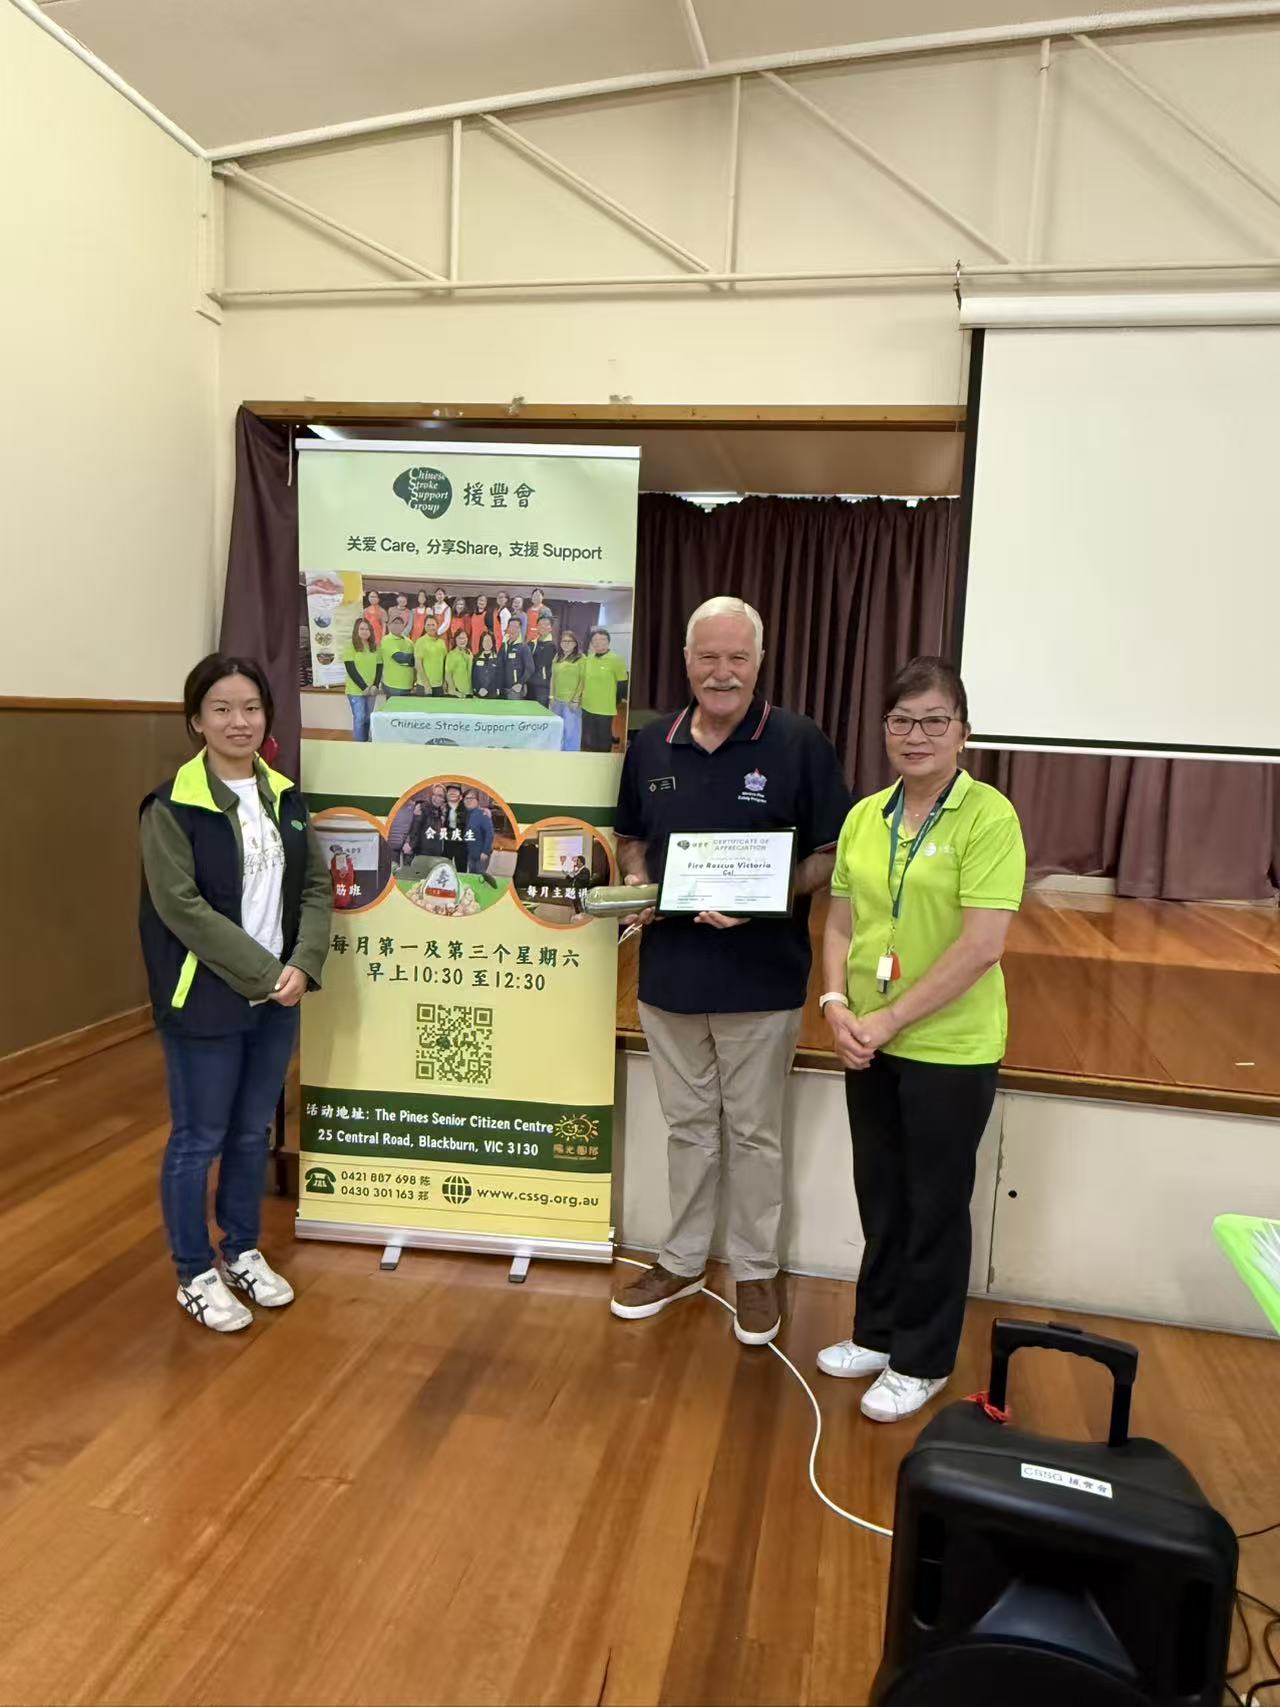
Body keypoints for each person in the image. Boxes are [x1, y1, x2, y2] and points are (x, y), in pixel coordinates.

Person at [610, 597, 851, 1345]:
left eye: (737, 658)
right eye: (709, 657)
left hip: (762, 975)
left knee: (752, 1133)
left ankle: (754, 1270)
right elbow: (630, 836)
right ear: (687, 663)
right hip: (670, 976)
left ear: (758, 662)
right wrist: (640, 881)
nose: (723, 672)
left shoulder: (798, 741)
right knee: (687, 1127)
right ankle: (681, 1260)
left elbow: (831, 854)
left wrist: (765, 898)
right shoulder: (651, 745)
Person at [816, 656, 1025, 1422]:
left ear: (963, 732)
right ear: (884, 730)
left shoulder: (989, 817)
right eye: (902, 720)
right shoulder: (865, 816)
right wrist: (835, 1003)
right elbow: (840, 923)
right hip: (866, 1040)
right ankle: (877, 1333)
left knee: (934, 1202)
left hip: (949, 1048)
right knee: (881, 1194)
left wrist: (888, 1019)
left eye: (935, 720)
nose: (917, 734)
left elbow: (982, 946)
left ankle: (924, 1358)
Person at [138, 655, 331, 1332]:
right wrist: (264, 972)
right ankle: (194, 1271)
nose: (238, 721)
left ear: (267, 716)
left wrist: (302, 965)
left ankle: (241, 1248)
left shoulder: (285, 796)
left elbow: (314, 887)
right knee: (200, 1136)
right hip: (206, 998)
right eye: (220, 708)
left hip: (279, 994)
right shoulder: (171, 806)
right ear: (196, 720)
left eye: (250, 707)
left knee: (252, 1130)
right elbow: (182, 907)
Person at [581, 628, 628, 752]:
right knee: (590, 738)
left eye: (602, 639)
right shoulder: (589, 659)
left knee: (603, 739)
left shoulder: (616, 660)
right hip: (587, 706)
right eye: (595, 640)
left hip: (605, 708)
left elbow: (622, 684)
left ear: (608, 641)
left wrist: (615, 702)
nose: (598, 642)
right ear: (591, 643)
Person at [343, 615, 381, 742]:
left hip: (371, 690)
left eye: (367, 629)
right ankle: (359, 745)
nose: (365, 631)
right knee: (359, 717)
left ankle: (365, 742)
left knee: (368, 717)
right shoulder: (350, 647)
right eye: (362, 629)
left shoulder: (375, 647)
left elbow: (379, 667)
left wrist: (375, 685)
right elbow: (351, 669)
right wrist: (363, 687)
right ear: (356, 631)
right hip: (356, 690)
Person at [551, 629, 586, 752]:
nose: (566, 643)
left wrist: (576, 700)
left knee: (571, 731)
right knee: (558, 729)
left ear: (575, 643)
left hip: (571, 702)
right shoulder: (558, 657)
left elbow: (583, 680)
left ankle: (571, 755)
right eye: (563, 641)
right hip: (557, 700)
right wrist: (551, 696)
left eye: (569, 641)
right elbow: (553, 678)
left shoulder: (581, 658)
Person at [378, 612, 415, 698]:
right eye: (395, 623)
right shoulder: (386, 640)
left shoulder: (409, 642)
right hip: (393, 685)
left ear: (404, 626)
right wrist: (415, 659)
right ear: (389, 625)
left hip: (408, 684)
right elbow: (400, 658)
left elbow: (413, 662)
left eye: (400, 623)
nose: (397, 626)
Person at [463, 789, 495, 884]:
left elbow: (490, 833)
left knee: (479, 879)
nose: (468, 801)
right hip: (471, 854)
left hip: (481, 855)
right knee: (472, 878)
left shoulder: (482, 814)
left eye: (471, 798)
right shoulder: (467, 814)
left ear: (477, 800)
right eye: (466, 798)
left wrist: (485, 851)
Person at [528, 613, 558, 708]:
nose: (543, 627)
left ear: (551, 628)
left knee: (541, 713)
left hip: (543, 687)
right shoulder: (531, 643)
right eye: (540, 624)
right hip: (529, 685)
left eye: (546, 624)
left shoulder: (553, 646)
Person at [413, 615, 448, 697]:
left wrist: (444, 682)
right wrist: (426, 685)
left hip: (439, 686)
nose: (431, 627)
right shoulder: (420, 642)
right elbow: (418, 665)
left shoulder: (442, 643)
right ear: (424, 626)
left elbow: (445, 664)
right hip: (424, 686)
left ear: (437, 626)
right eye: (428, 625)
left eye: (433, 625)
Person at [500, 624, 534, 699]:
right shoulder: (504, 646)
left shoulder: (523, 647)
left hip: (514, 690)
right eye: (510, 628)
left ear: (519, 630)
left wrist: (520, 683)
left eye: (515, 628)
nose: (512, 630)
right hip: (502, 689)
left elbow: (530, 668)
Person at [471, 629, 504, 699]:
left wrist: (488, 690)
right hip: (478, 694)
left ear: (493, 642)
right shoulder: (476, 658)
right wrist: (478, 689)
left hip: (493, 695)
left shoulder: (498, 659)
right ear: (481, 643)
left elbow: (499, 677)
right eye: (485, 641)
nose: (487, 643)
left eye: (489, 641)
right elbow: (473, 677)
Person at [445, 627, 474, 698]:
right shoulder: (451, 655)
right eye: (459, 638)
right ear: (455, 640)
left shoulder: (469, 653)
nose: (462, 640)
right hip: (457, 693)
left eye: (464, 638)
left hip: (469, 692)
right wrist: (454, 691)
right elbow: (448, 675)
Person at [329, 845, 358, 909]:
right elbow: (339, 872)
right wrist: (341, 874)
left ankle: (344, 903)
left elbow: (344, 871)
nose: (336, 851)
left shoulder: (342, 857)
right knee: (343, 892)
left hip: (346, 879)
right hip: (343, 880)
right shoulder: (338, 858)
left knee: (345, 892)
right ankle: (342, 904)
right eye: (335, 850)